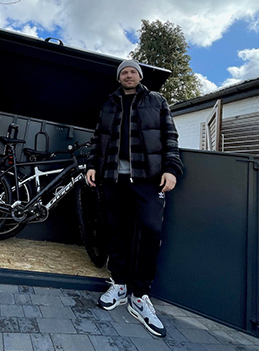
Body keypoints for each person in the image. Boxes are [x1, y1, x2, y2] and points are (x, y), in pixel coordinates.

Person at [86, 59, 183, 338]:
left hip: (148, 179)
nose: (128, 75)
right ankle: (118, 284)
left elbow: (170, 137)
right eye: (124, 72)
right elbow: (98, 139)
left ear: (139, 76)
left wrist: (171, 169)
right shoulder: (109, 104)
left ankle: (139, 296)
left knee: (151, 232)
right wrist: (93, 165)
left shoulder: (156, 100)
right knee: (116, 232)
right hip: (113, 179)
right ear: (119, 78)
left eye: (132, 71)